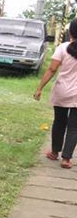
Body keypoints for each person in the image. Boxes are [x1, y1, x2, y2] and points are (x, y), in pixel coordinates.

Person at [34, 19, 77, 169]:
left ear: (70, 32)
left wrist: (39, 88)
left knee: (59, 122)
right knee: (74, 127)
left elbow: (51, 70)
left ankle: (54, 152)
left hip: (62, 90)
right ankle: (66, 159)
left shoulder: (62, 48)